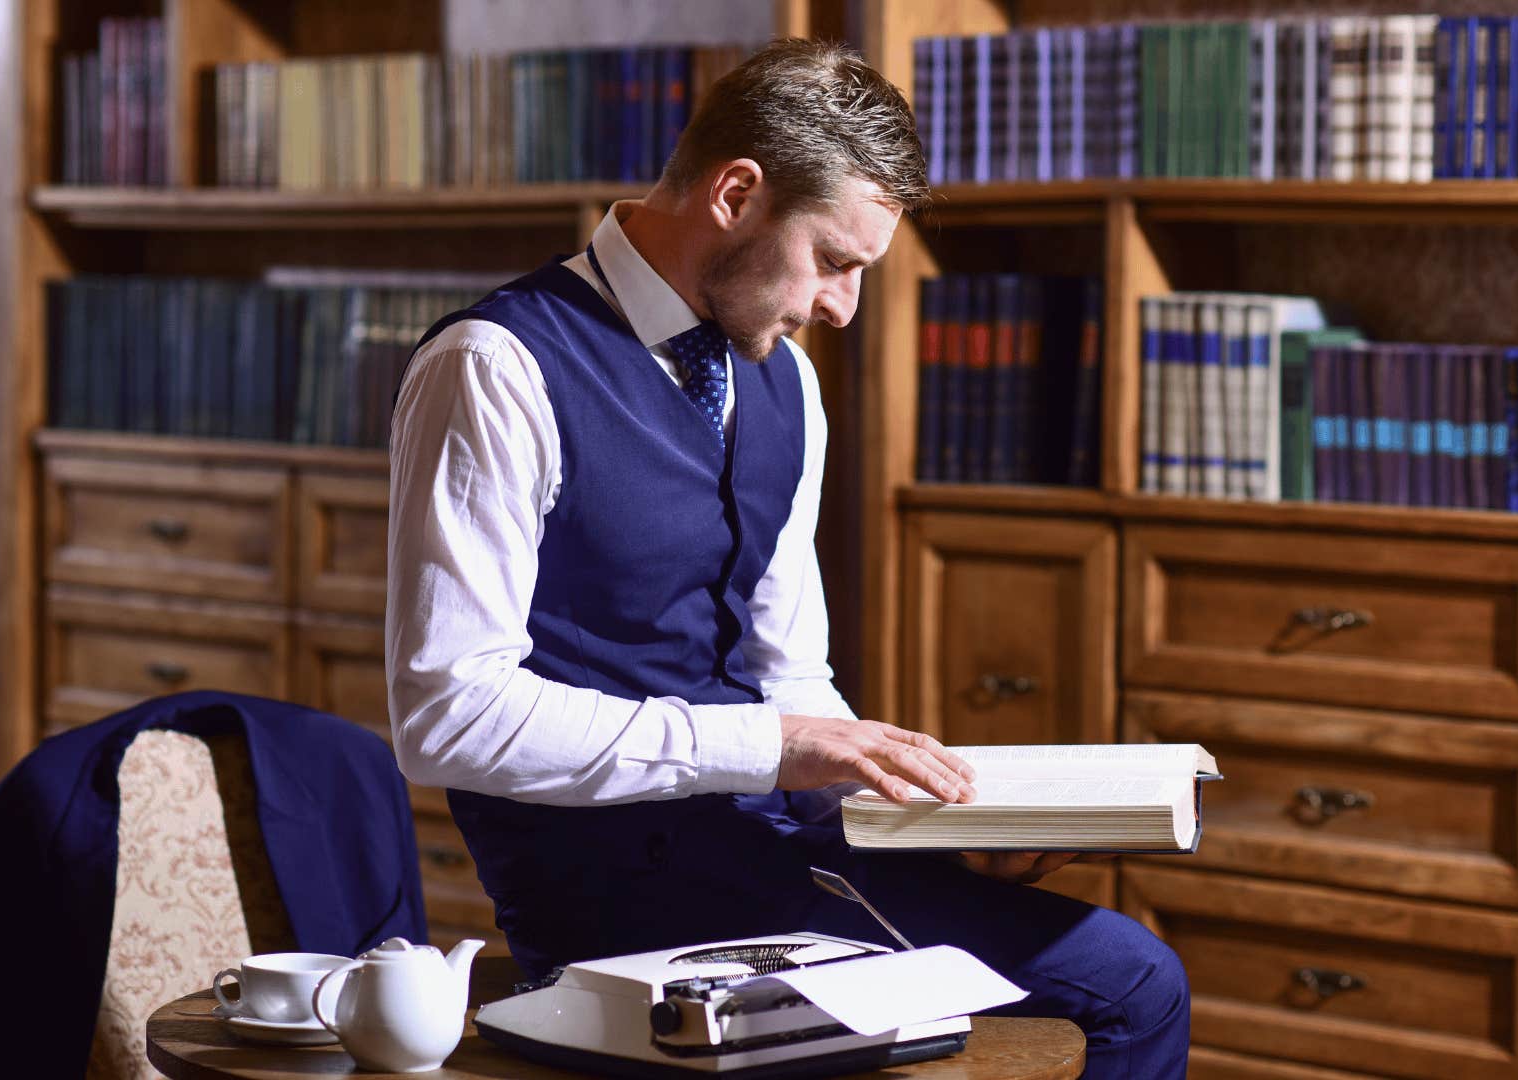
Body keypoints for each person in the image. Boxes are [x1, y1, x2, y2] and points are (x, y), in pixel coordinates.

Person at [386, 39, 1189, 1076]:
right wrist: (767, 748)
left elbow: (792, 678)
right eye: (835, 261)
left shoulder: (786, 385)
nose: (843, 307)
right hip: (614, 900)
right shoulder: (494, 369)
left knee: (1131, 973)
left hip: (783, 859)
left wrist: (928, 820)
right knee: (1129, 986)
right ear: (735, 194)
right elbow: (448, 716)